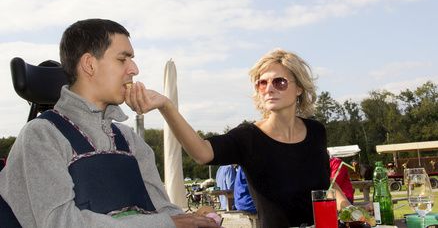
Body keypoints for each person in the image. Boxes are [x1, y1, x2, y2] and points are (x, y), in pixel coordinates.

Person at [0, 19, 219, 228]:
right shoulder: (41, 136)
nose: (134, 69)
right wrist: (167, 223)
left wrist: (192, 220)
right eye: (123, 59)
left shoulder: (129, 140)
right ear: (89, 65)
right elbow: (62, 223)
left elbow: (161, 210)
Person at [125, 49, 351, 227]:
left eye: (279, 82)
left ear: (299, 88)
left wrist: (346, 205)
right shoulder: (248, 137)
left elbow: (324, 185)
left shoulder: (316, 131)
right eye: (263, 83)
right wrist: (167, 106)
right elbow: (202, 153)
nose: (269, 89)